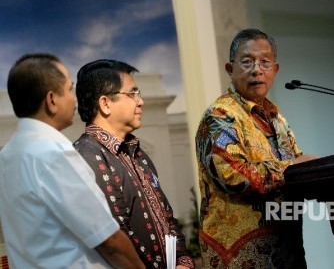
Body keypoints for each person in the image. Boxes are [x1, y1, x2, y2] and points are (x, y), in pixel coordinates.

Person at [0, 53, 144, 268]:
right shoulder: (54, 153)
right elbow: (108, 240)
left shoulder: (7, 155)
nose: (74, 99)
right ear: (51, 100)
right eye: (69, 89)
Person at [195, 28, 316, 268]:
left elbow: (297, 166)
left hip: (285, 247)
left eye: (265, 62)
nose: (256, 70)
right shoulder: (220, 115)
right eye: (247, 62)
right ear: (231, 70)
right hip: (240, 254)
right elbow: (233, 175)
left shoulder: (276, 119)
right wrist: (292, 166)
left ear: (275, 70)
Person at [73, 59, 194, 269]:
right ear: (105, 104)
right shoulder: (87, 156)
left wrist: (183, 261)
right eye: (132, 94)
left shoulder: (138, 153)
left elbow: (167, 216)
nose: (141, 102)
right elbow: (114, 238)